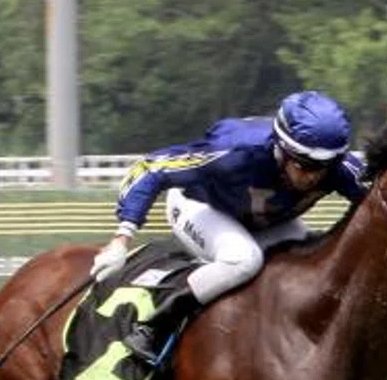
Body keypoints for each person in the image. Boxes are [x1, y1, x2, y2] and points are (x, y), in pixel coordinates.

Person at [91, 90, 368, 366]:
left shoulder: (339, 168)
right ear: (281, 149)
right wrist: (121, 239)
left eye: (324, 168)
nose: (314, 177)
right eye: (304, 166)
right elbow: (150, 168)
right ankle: (154, 326)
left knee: (317, 255)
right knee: (243, 259)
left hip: (266, 220)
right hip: (199, 207)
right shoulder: (235, 151)